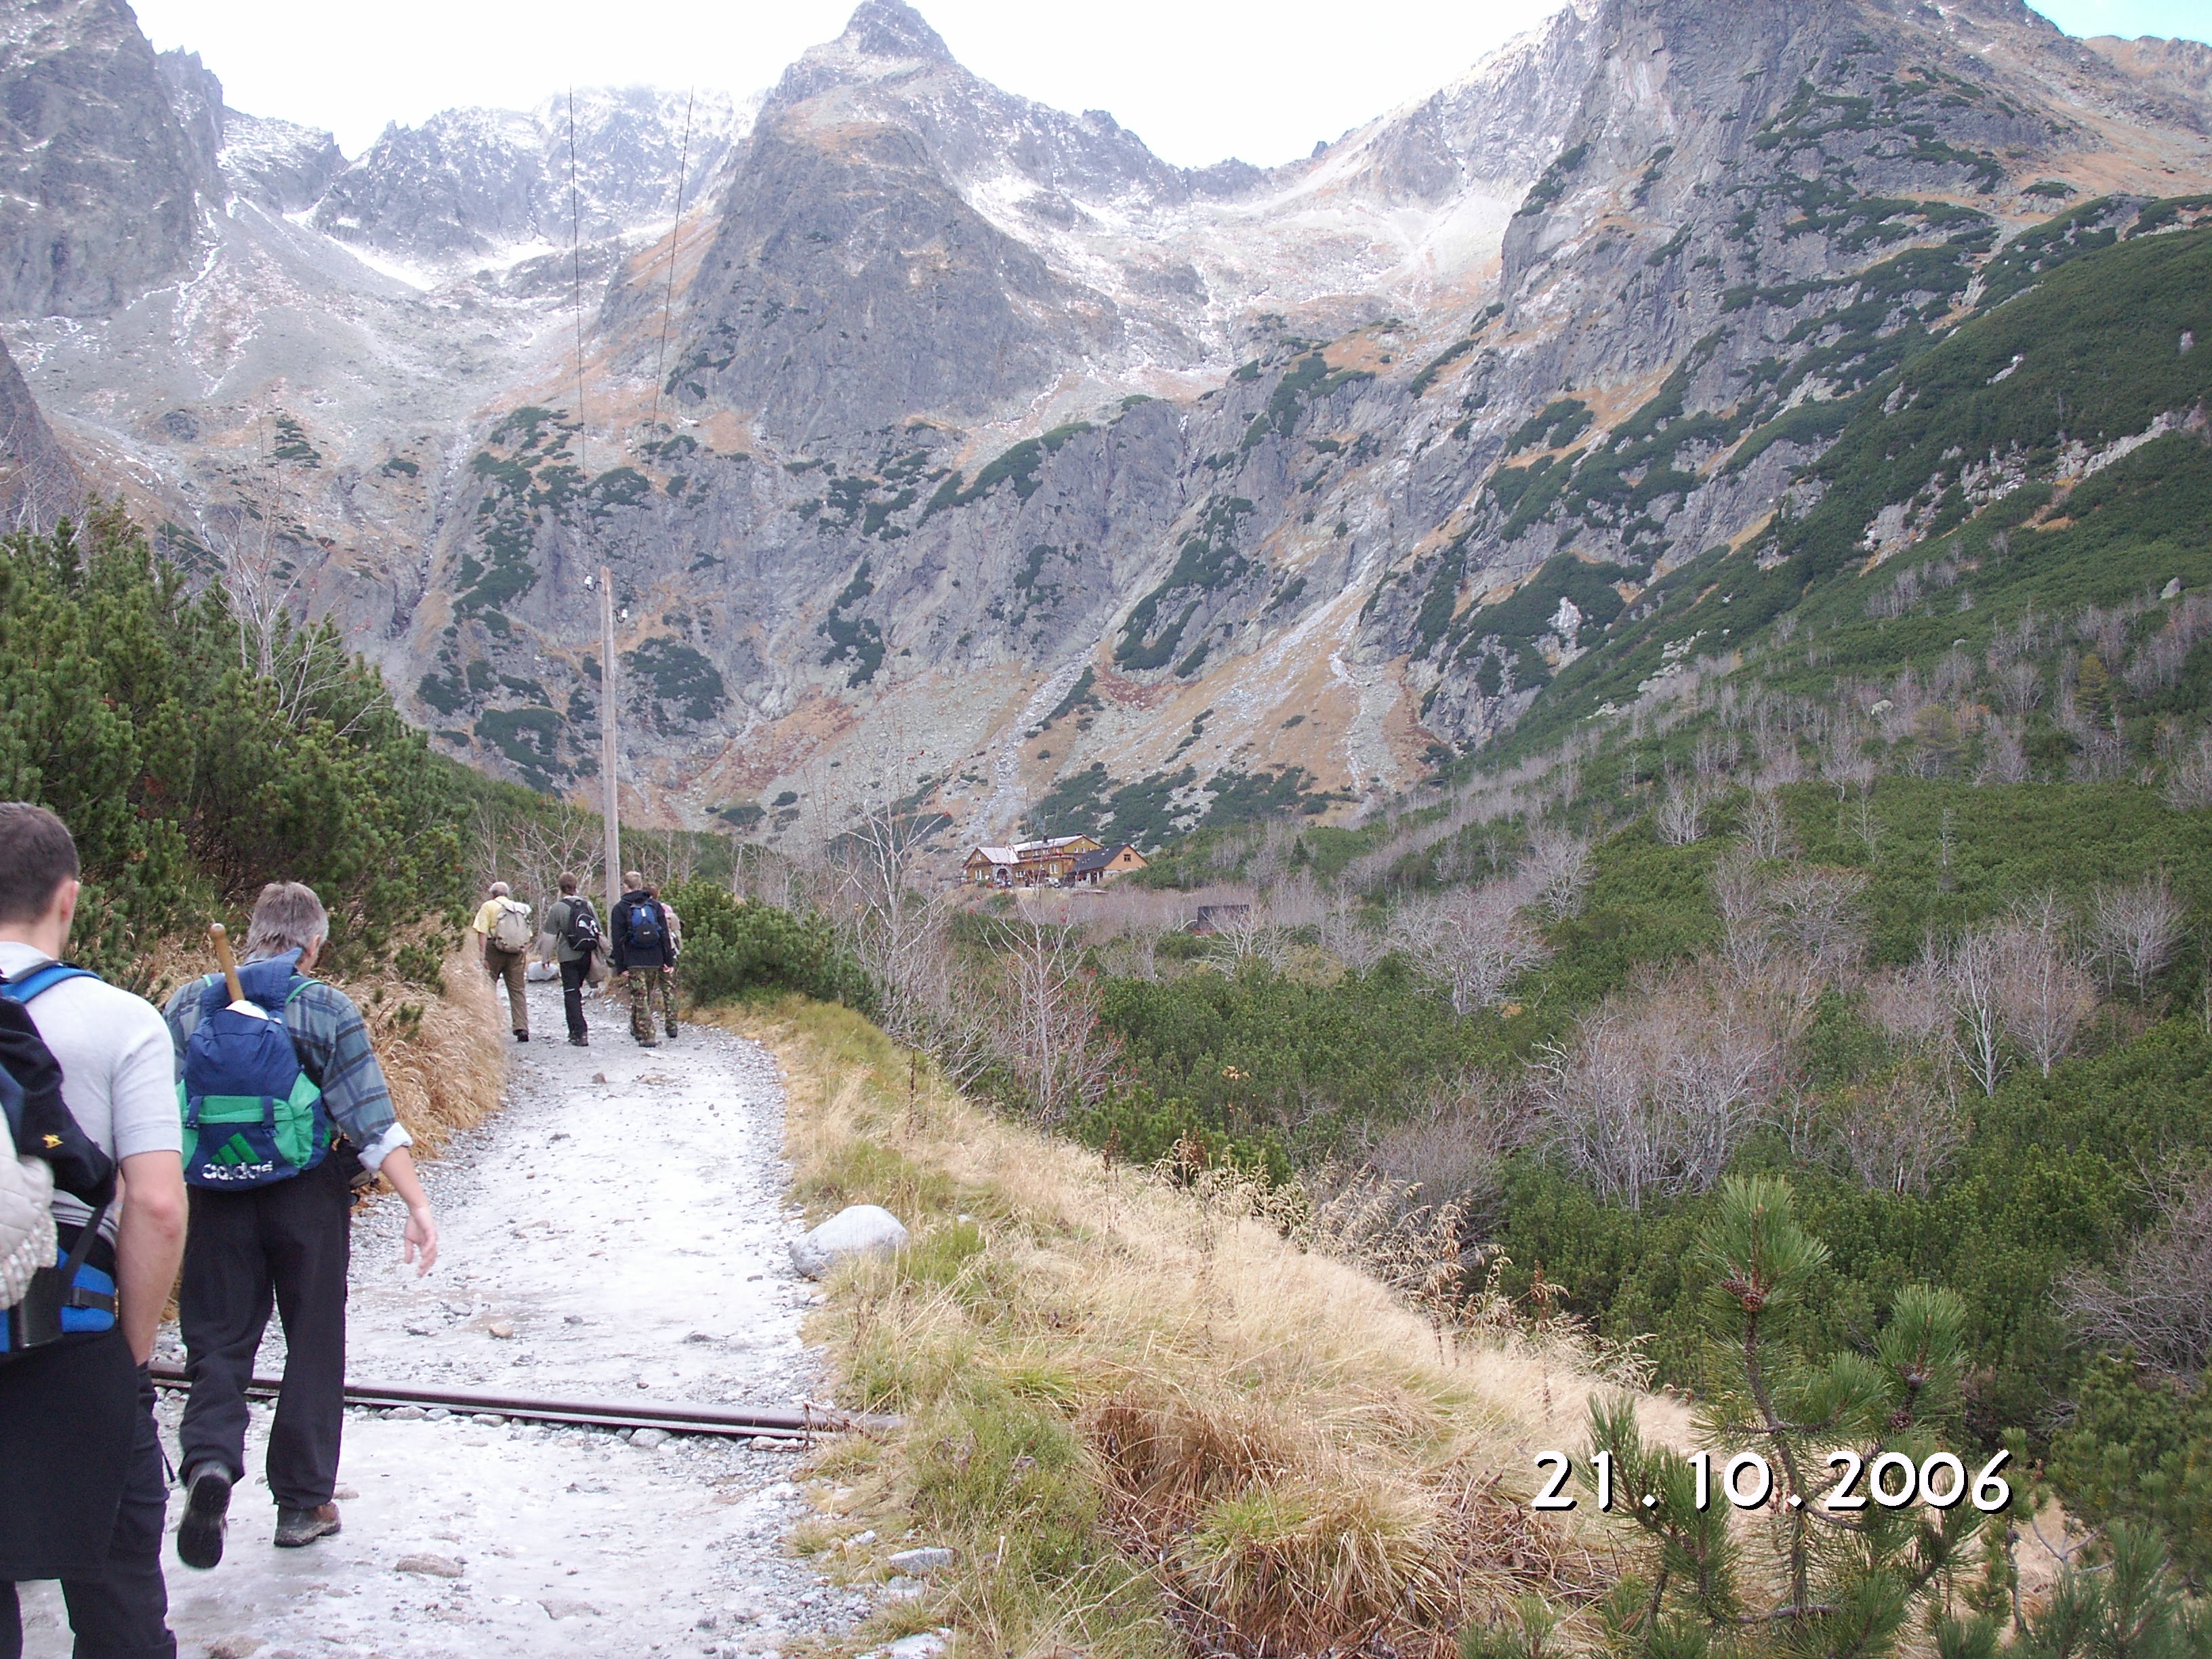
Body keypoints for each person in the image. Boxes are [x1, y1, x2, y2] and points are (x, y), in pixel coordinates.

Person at [164, 881, 440, 1568]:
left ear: (255, 933)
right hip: (306, 1199)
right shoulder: (323, 1006)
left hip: (216, 1196)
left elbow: (159, 1113)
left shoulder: (187, 1003)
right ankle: (301, 1502)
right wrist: (417, 1205)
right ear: (314, 942)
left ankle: (209, 1460)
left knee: (218, 1338)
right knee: (313, 1339)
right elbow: (370, 1121)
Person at [0, 802, 188, 1659]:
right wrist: (130, 1352)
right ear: (68, 898)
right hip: (70, 1344)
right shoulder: (121, 1020)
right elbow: (157, 1205)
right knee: (118, 1614)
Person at [609, 872, 675, 1047]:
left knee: (640, 996)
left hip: (634, 958)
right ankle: (637, 1027)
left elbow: (617, 940)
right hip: (655, 957)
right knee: (644, 995)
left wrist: (620, 966)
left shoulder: (620, 909)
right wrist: (668, 960)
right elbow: (665, 935)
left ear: (625, 886)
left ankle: (648, 1034)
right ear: (640, 885)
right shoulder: (655, 905)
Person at [541, 874, 599, 1048]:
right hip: (586, 954)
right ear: (575, 886)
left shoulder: (557, 908)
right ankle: (579, 1030)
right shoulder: (588, 905)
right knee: (577, 990)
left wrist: (545, 957)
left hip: (568, 956)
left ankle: (578, 1032)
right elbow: (597, 929)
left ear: (560, 888)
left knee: (571, 993)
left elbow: (549, 935)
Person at [470, 881, 533, 1043]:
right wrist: (523, 952)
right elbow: (528, 935)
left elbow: (482, 932)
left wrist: (482, 955)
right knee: (517, 990)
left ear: (493, 894)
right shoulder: (518, 908)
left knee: (489, 986)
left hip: (494, 948)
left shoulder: (488, 906)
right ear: (507, 894)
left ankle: (491, 1026)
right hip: (516, 952)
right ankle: (522, 1028)